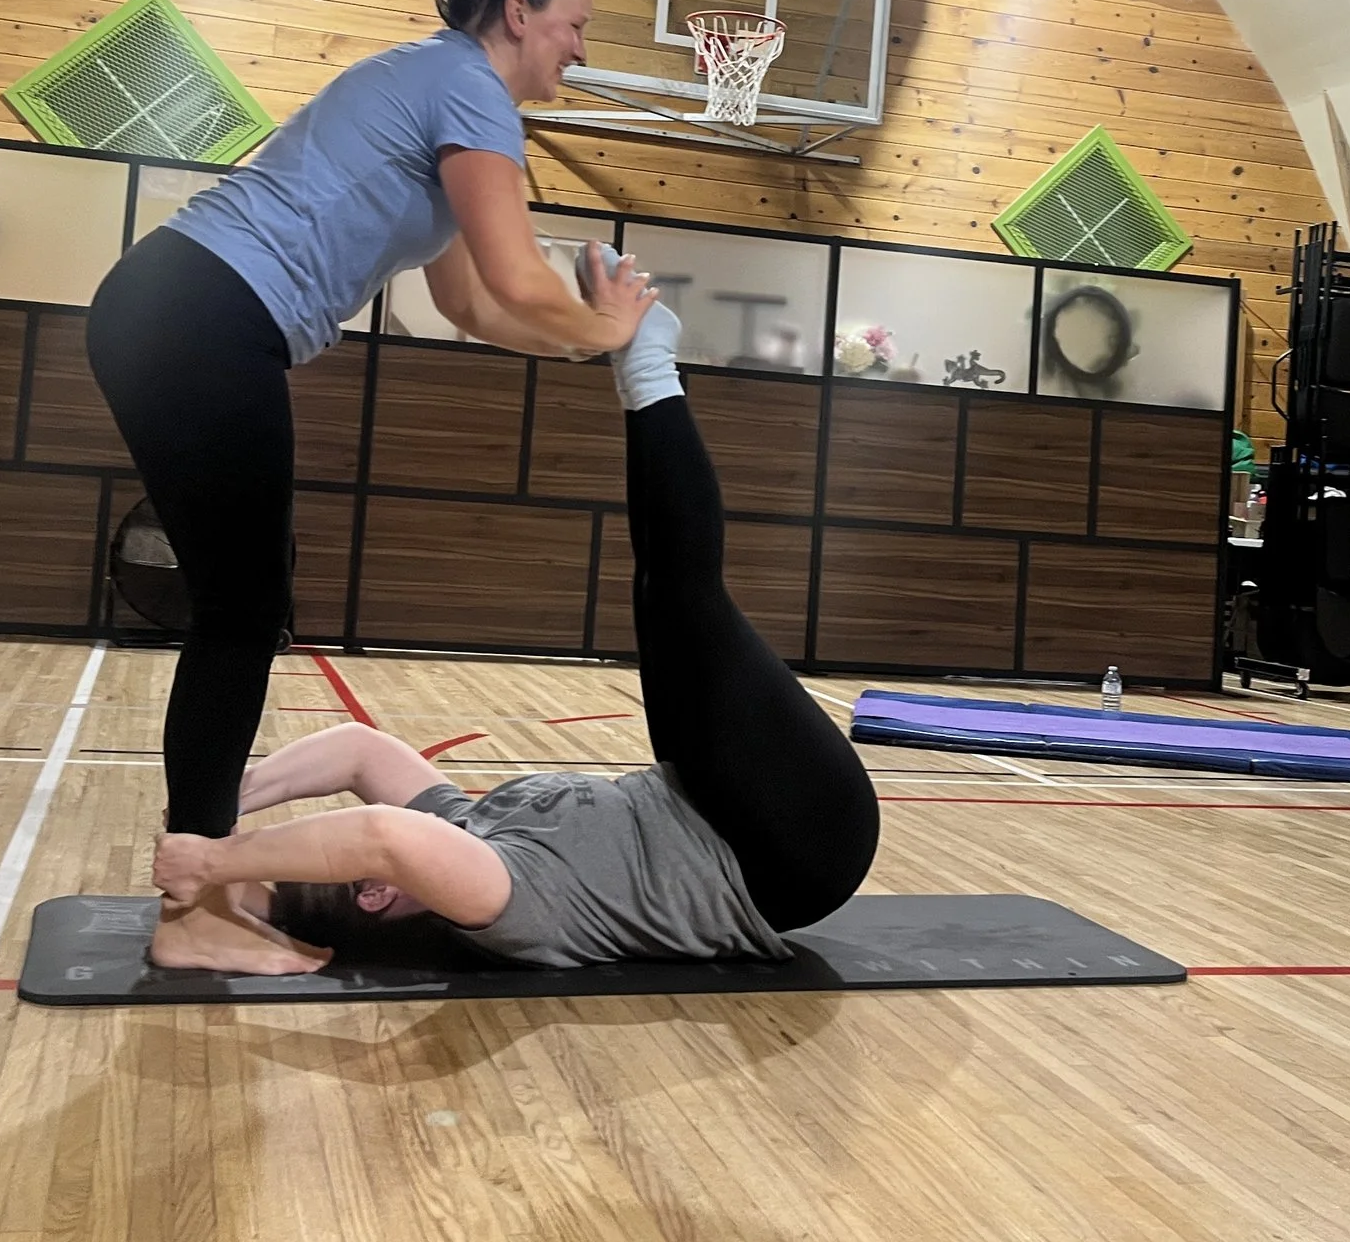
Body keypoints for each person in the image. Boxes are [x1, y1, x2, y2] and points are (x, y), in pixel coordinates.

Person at [88, 0, 657, 974]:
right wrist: (605, 322)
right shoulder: (468, 93)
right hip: (204, 315)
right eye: (577, 27)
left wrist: (590, 342)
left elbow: (473, 305)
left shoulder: (436, 92)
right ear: (519, 15)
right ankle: (194, 907)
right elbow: (520, 277)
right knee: (243, 615)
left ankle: (207, 877)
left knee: (239, 609)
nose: (580, 52)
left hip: (173, 310)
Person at [148, 296, 882, 972]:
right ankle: (648, 367)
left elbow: (360, 750)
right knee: (687, 602)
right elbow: (381, 836)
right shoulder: (501, 902)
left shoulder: (466, 826)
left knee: (666, 594)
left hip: (708, 801)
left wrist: (219, 810)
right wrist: (216, 865)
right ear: (376, 893)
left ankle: (645, 367)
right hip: (787, 850)